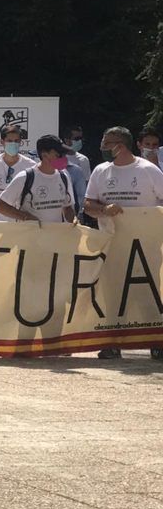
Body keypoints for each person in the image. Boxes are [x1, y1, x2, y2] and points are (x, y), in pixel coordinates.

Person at [83, 126, 163, 360]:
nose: (103, 147)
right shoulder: (100, 171)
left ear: (122, 145)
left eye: (108, 143)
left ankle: (155, 340)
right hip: (112, 242)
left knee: (148, 291)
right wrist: (103, 210)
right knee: (112, 292)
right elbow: (88, 204)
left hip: (146, 243)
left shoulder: (149, 170)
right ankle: (111, 342)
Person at [0, 135, 76, 224]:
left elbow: (67, 207)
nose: (63, 158)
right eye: (58, 155)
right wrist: (27, 217)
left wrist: (73, 218)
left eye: (64, 155)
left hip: (55, 236)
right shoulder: (25, 177)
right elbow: (0, 206)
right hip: (31, 236)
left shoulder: (64, 176)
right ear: (44, 155)